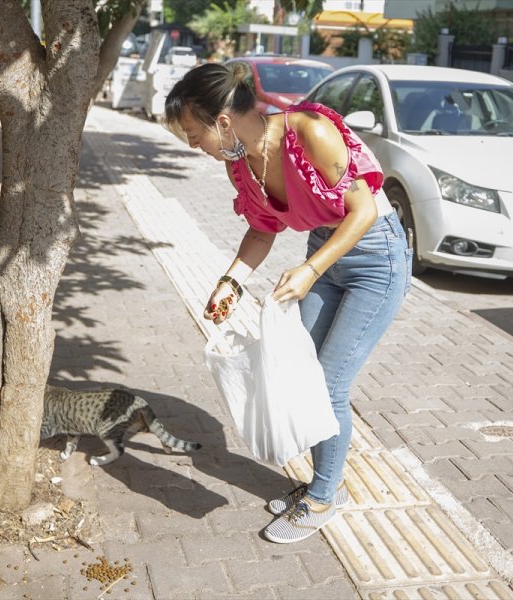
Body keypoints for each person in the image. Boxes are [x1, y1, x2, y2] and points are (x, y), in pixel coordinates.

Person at [163, 63, 411, 544]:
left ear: (223, 122)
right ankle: (323, 485)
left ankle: (324, 496)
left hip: (375, 257)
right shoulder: (242, 162)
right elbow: (262, 227)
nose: (194, 145)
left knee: (329, 381)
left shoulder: (311, 130)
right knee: (304, 374)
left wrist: (310, 269)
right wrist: (231, 283)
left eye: (194, 134)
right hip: (327, 252)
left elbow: (361, 210)